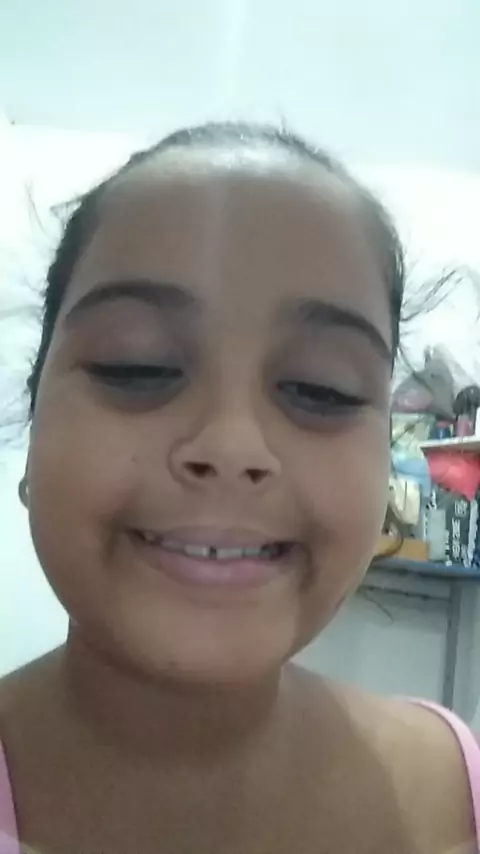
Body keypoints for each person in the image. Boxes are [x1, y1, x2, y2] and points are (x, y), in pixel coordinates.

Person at [0, 122, 478, 854]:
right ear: (37, 429)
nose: (231, 447)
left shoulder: (457, 791)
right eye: (137, 367)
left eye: (320, 388)